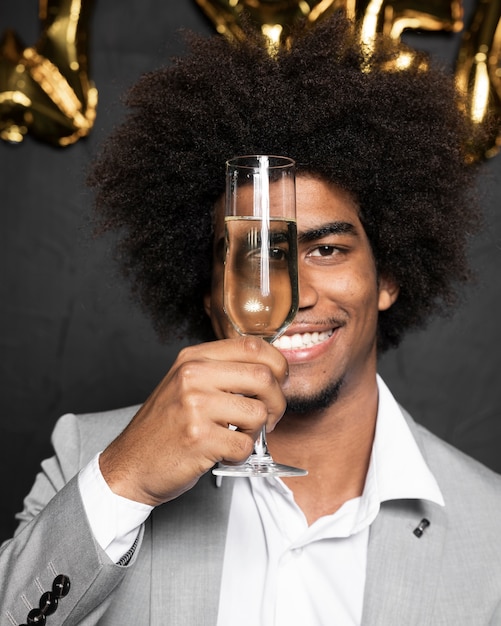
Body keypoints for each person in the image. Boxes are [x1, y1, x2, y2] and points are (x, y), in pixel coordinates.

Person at [2, 11, 501, 625]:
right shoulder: (89, 458)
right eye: (254, 255)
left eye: (326, 249)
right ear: (210, 294)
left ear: (389, 277)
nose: (290, 296)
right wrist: (125, 482)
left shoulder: (493, 532)